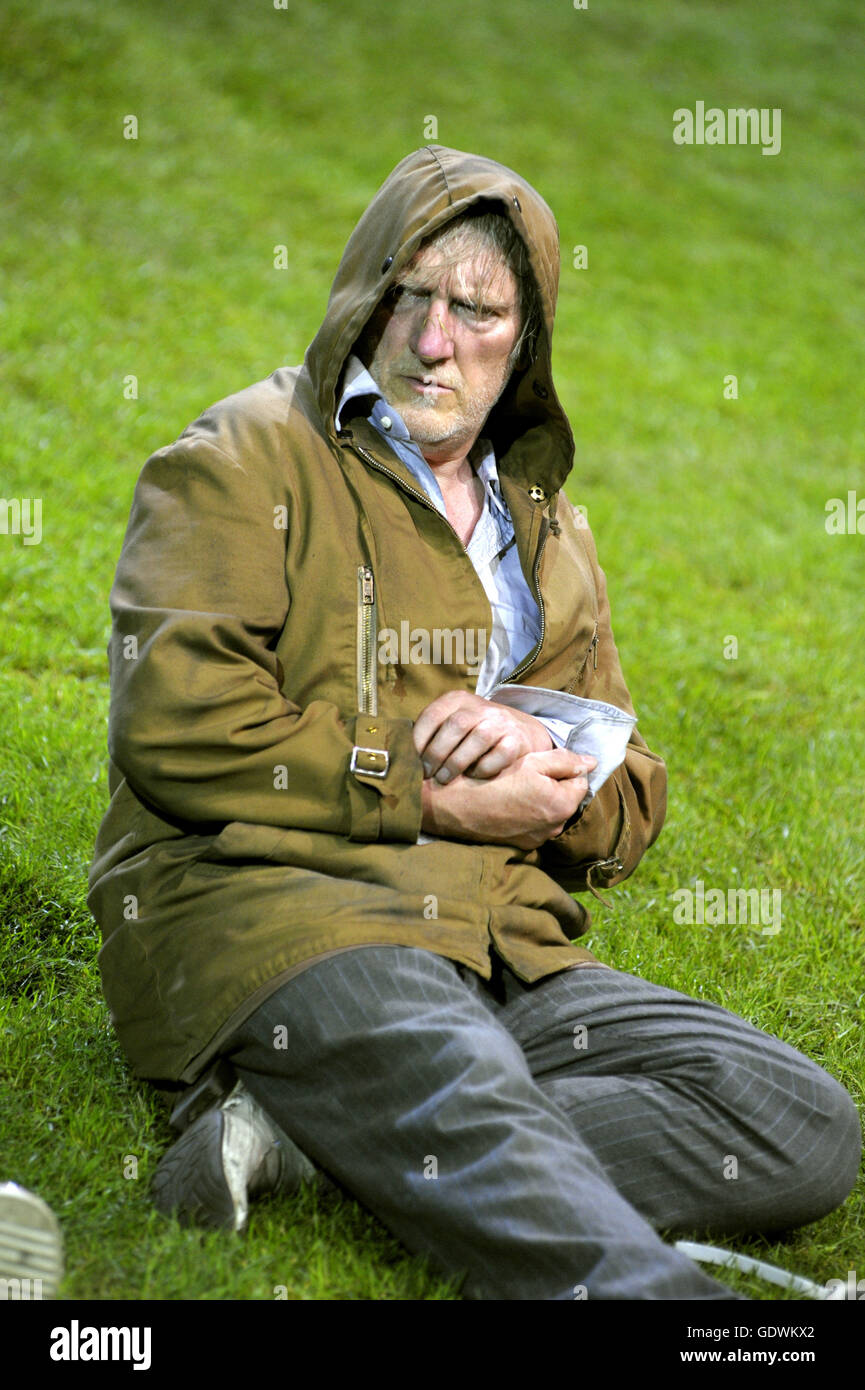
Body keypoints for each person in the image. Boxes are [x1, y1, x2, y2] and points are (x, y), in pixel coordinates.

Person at [88, 145, 861, 1300]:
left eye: (477, 312)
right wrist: (429, 787)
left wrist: (549, 766)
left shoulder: (547, 526)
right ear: (364, 294)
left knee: (795, 1118)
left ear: (526, 338)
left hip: (496, 940)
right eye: (408, 296)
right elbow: (177, 721)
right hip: (289, 911)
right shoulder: (242, 457)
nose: (432, 339)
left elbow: (625, 797)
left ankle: (309, 1142)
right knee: (466, 1079)